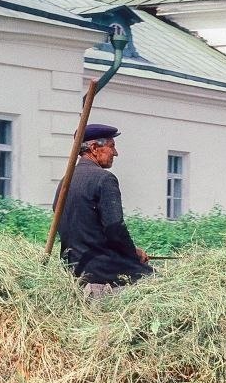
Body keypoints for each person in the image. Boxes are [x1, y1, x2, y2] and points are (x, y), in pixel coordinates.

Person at [56, 123, 153, 297]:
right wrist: (134, 254)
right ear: (94, 148)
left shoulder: (64, 181)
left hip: (72, 267)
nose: (115, 153)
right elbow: (115, 228)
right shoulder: (104, 179)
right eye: (111, 146)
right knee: (157, 280)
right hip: (101, 269)